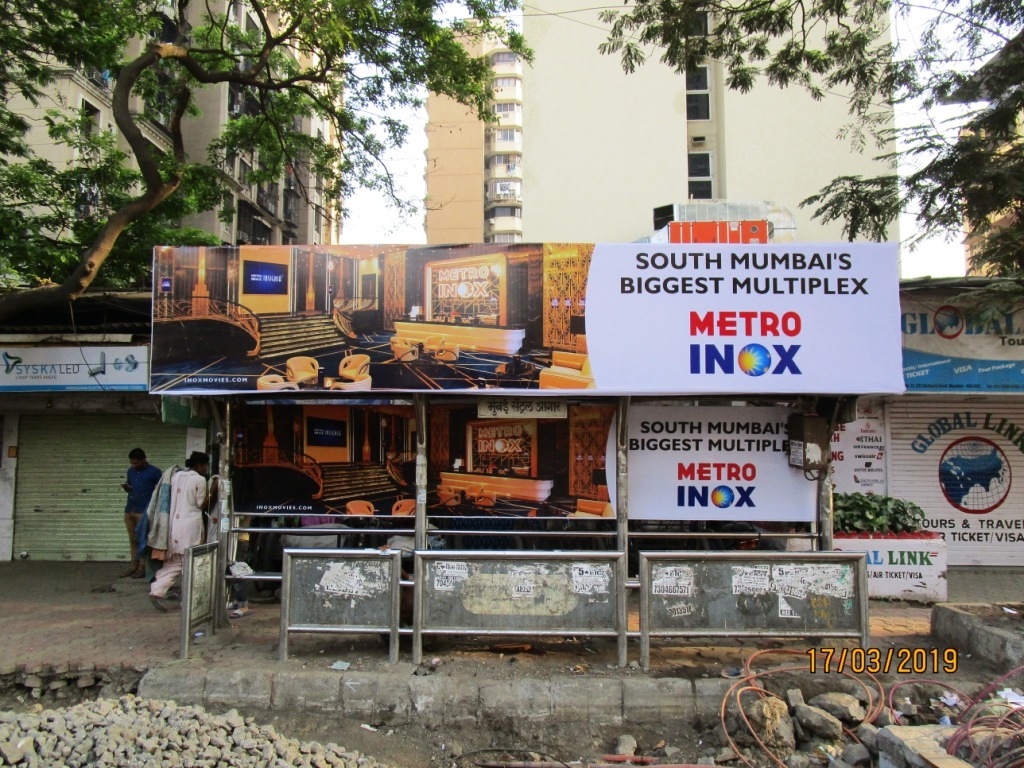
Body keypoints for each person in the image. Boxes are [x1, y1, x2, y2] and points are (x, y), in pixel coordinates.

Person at [148, 451, 210, 612]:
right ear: (199, 465)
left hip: (173, 526)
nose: (206, 469)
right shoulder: (199, 479)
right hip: (190, 527)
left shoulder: (175, 476)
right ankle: (189, 601)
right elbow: (201, 504)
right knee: (190, 564)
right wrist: (214, 490)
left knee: (173, 563)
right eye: (205, 465)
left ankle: (156, 591)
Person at [121, 448, 162, 578]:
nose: (134, 466)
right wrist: (127, 488)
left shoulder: (154, 472)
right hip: (130, 509)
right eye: (132, 463)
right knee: (132, 540)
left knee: (143, 540)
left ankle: (142, 568)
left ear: (144, 460)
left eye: (136, 463)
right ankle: (133, 565)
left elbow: (160, 491)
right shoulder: (131, 471)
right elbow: (130, 484)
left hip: (144, 511)